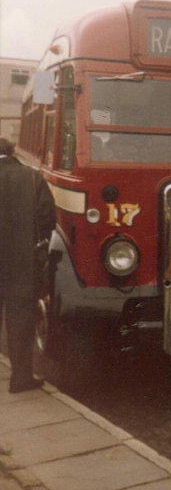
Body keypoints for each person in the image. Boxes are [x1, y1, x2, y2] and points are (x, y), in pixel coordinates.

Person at [0, 138, 56, 393]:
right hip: (21, 263)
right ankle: (20, 378)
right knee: (21, 319)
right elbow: (47, 218)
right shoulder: (32, 177)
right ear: (12, 152)